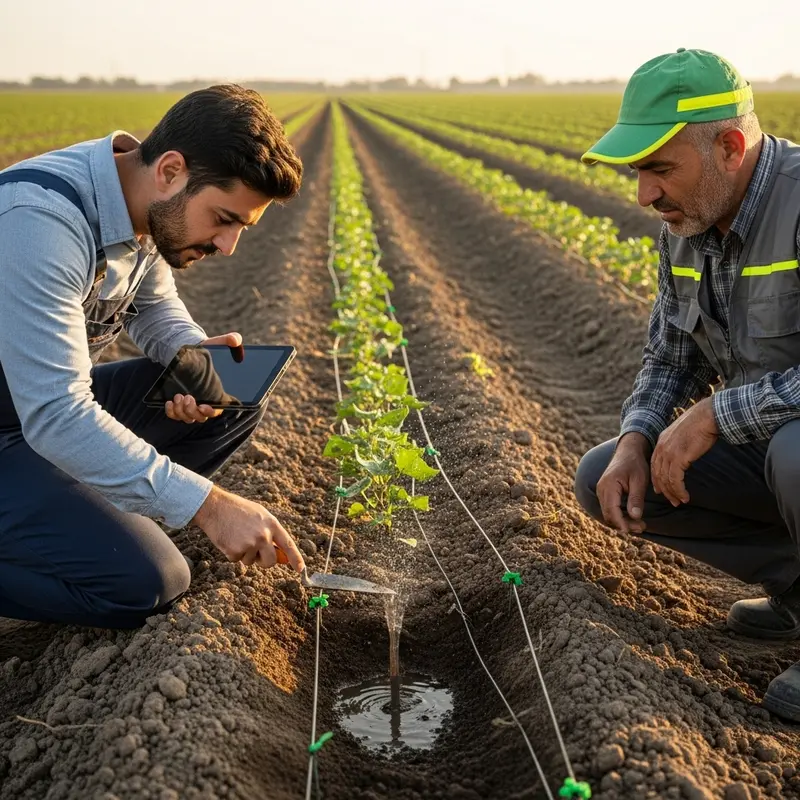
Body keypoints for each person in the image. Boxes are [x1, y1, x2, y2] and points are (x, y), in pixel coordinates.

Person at [0, 84, 306, 631]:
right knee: (150, 582)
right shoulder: (38, 224)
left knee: (226, 393)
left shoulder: (138, 202)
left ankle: (87, 518)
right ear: (170, 170)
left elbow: (153, 306)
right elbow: (56, 413)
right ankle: (84, 535)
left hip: (29, 417)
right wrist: (209, 506)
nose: (228, 244)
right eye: (223, 218)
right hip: (29, 420)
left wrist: (192, 357)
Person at [573, 48, 800, 722]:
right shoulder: (689, 224)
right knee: (604, 476)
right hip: (770, 445)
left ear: (730, 146)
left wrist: (716, 415)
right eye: (640, 171)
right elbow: (670, 355)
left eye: (659, 169)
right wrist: (638, 436)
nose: (644, 194)